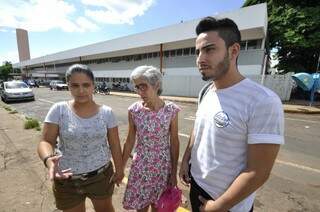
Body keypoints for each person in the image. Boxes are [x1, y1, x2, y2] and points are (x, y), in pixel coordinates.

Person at [179, 17, 284, 212]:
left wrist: (218, 206)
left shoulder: (262, 101)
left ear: (233, 50)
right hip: (197, 186)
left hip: (227, 204)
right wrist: (186, 159)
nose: (200, 59)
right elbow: (199, 128)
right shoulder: (206, 91)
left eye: (209, 49)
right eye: (198, 51)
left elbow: (258, 172)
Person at [37, 64, 124, 212]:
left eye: (86, 85)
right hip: (66, 179)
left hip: (101, 176)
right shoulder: (59, 110)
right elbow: (46, 141)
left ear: (93, 85)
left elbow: (115, 144)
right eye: (75, 85)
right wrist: (49, 160)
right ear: (68, 86)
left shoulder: (107, 113)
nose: (81, 90)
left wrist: (120, 170)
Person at [122, 65, 181, 212]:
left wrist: (173, 173)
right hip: (141, 167)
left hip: (162, 168)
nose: (140, 92)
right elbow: (130, 140)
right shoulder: (134, 110)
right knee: (140, 208)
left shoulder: (171, 110)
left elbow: (174, 142)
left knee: (159, 207)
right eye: (137, 87)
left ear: (157, 85)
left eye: (143, 87)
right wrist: (120, 168)